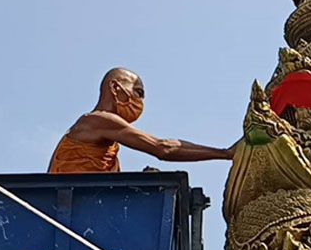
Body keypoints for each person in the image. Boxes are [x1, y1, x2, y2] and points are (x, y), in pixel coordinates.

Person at [48, 67, 233, 173]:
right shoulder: (98, 121)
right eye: (138, 92)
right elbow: (163, 148)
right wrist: (225, 153)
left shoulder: (105, 137)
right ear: (115, 87)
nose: (140, 102)